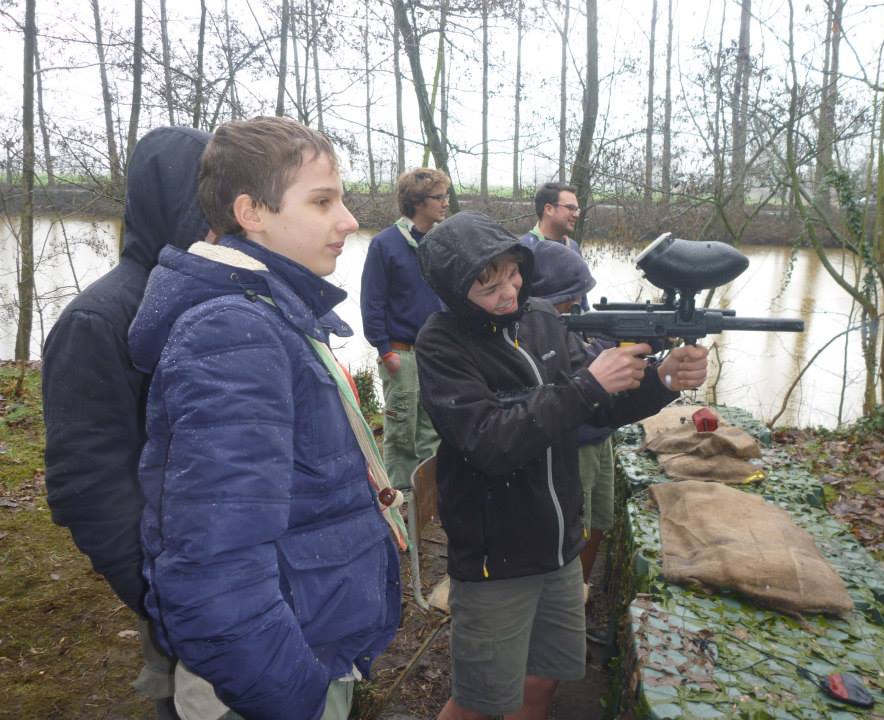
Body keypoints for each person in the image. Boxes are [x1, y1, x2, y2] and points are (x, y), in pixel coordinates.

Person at [127, 116, 402, 720]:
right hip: (271, 684)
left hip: (308, 646)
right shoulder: (234, 332)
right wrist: (293, 695)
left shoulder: (274, 314)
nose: (349, 220)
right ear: (251, 213)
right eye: (323, 200)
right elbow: (212, 567)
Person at [415, 211, 709, 720]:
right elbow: (490, 442)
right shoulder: (442, 344)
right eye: (489, 287)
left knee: (545, 677)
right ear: (455, 291)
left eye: (513, 273)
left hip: (559, 548)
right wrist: (588, 384)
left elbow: (600, 406)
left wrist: (661, 380)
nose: (509, 292)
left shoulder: (540, 317)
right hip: (495, 561)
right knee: (479, 702)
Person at [42, 125, 212, 719]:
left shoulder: (214, 299)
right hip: (180, 588)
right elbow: (85, 484)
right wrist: (162, 593)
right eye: (206, 194)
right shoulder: (98, 319)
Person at [525, 240, 614, 604]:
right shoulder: (537, 332)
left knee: (599, 521)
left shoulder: (567, 323)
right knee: (574, 528)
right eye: (571, 297)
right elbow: (566, 384)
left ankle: (580, 594)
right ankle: (564, 602)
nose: (579, 303)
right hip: (576, 444)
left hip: (598, 436)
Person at [360, 168, 448, 490]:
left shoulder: (439, 243)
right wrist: (384, 350)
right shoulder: (385, 245)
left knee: (432, 429)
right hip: (401, 353)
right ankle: (398, 507)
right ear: (417, 202)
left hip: (436, 355)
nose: (445, 203)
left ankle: (428, 503)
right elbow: (372, 303)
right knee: (400, 432)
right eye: (439, 197)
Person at [521, 182, 583, 254]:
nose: (576, 215)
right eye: (570, 208)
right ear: (549, 209)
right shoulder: (523, 248)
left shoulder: (573, 247)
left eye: (576, 210)